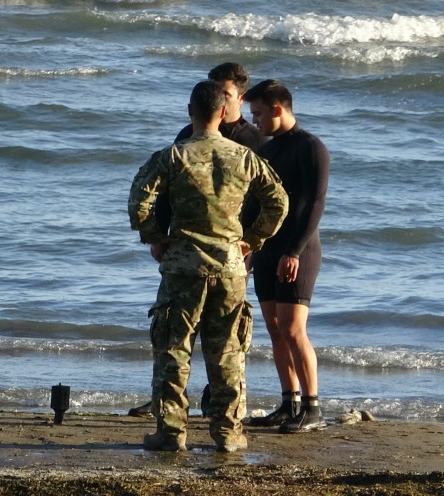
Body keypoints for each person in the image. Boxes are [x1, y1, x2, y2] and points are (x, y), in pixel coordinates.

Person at [128, 80, 288, 452]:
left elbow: (139, 202)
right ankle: (228, 434)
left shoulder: (172, 155)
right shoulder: (246, 158)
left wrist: (155, 236)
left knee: (173, 351)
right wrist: (253, 239)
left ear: (190, 112)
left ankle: (171, 433)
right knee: (227, 353)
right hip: (230, 267)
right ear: (221, 112)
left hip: (183, 267)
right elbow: (278, 202)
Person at [242, 79, 331, 433]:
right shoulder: (266, 150)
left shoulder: (311, 147)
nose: (256, 121)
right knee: (275, 330)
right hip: (266, 250)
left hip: (299, 250)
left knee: (294, 330)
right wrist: (247, 248)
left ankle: (312, 408)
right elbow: (254, 204)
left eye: (260, 113)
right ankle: (288, 402)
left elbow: (314, 204)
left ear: (279, 109)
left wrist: (293, 251)